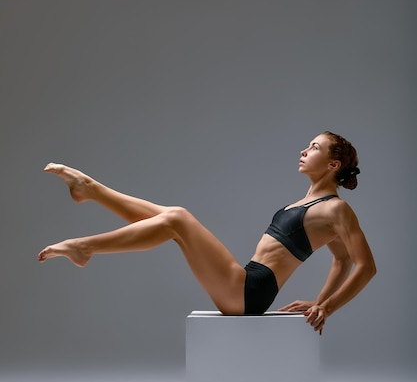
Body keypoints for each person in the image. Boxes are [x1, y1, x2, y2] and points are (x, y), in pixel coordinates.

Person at [38, 131, 376, 334]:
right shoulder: (308, 203)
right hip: (246, 283)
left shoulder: (336, 209)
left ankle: (85, 246)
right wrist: (319, 301)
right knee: (170, 216)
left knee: (177, 220)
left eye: (314, 147)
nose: (304, 151)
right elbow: (340, 261)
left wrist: (327, 307)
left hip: (249, 293)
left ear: (334, 165)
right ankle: (90, 189)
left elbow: (364, 266)